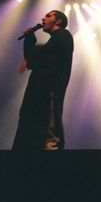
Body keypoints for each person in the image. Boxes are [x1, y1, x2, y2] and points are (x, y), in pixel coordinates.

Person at [13, 10, 74, 150]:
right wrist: (29, 39)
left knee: (49, 130)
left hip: (49, 92)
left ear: (58, 21)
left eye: (48, 16)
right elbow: (32, 61)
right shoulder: (52, 42)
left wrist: (33, 50)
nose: (43, 18)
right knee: (31, 127)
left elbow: (39, 57)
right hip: (38, 93)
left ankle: (51, 164)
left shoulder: (63, 36)